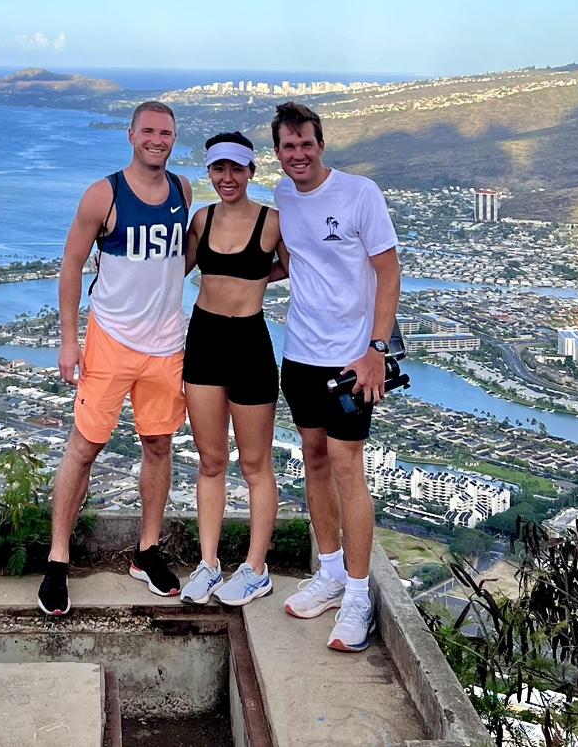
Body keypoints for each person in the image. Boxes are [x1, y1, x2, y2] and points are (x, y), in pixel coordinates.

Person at [37, 100, 192, 617]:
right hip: (110, 341)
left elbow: (176, 261)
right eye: (148, 131)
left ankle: (146, 552)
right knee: (84, 447)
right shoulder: (105, 194)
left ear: (174, 138)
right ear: (131, 135)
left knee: (158, 445)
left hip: (167, 346)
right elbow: (72, 263)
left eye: (165, 132)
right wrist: (68, 339)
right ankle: (58, 559)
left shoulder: (183, 190)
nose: (157, 139)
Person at [271, 100, 402, 654]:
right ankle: (327, 571)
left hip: (350, 360)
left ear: (321, 145)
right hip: (300, 353)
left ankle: (356, 595)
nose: (298, 155)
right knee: (314, 459)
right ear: (277, 154)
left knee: (350, 468)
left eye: (306, 144)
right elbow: (286, 263)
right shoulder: (282, 196)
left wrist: (375, 351)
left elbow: (389, 268)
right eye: (288, 147)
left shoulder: (359, 194)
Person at [177, 131, 287, 608]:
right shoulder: (201, 219)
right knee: (211, 460)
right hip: (203, 339)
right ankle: (208, 563)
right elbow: (171, 269)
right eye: (218, 169)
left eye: (236, 169)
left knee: (256, 463)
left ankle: (255, 568)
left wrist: (255, 277)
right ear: (210, 172)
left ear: (251, 172)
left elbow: (295, 266)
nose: (227, 178)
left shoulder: (271, 222)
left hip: (249, 342)